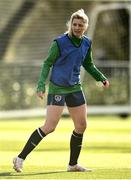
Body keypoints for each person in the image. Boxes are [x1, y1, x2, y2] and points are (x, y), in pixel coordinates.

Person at [13, 9, 109, 173]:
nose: (77, 27)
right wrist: (41, 85)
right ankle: (20, 158)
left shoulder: (87, 43)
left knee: (81, 125)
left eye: (80, 25)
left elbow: (88, 64)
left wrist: (101, 77)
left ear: (85, 26)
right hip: (58, 88)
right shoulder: (59, 42)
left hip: (75, 88)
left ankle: (72, 165)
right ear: (70, 25)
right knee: (49, 127)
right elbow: (47, 63)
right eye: (74, 24)